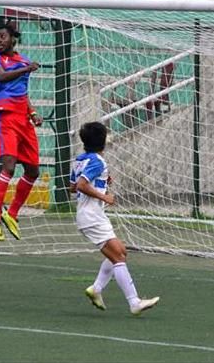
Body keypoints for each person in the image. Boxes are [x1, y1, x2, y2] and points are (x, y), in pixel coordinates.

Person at [71, 122, 160, 316]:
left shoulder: (79, 160)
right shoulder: (98, 161)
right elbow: (81, 185)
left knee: (120, 251)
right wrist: (105, 197)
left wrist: (102, 181)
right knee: (118, 256)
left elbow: (73, 186)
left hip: (90, 215)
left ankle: (96, 289)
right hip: (92, 216)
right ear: (103, 141)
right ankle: (134, 302)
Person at [0, 22, 44, 242]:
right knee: (8, 165)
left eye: (2, 37)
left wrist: (33, 112)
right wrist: (26, 69)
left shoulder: (23, 60)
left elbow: (23, 92)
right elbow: (0, 77)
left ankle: (12, 213)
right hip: (5, 116)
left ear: (13, 39)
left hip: (23, 119)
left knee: (33, 171)